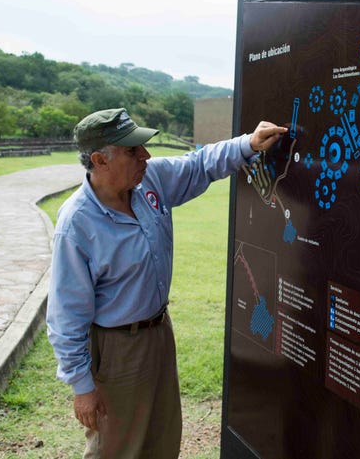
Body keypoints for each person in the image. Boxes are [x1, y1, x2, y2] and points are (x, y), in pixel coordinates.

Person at [46, 108, 287, 459]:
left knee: (162, 436)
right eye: (132, 151)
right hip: (116, 350)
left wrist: (248, 144)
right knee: (116, 446)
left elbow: (200, 164)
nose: (145, 155)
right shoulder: (77, 224)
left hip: (158, 333)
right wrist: (82, 387)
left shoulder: (149, 182)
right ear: (100, 160)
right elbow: (66, 315)